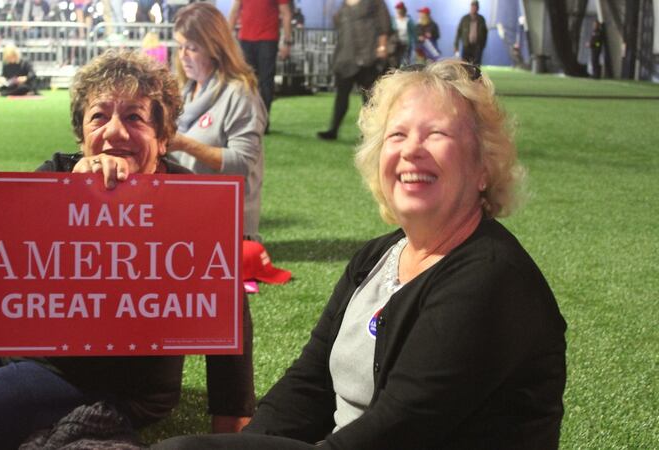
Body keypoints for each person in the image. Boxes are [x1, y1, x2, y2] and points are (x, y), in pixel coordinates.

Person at [152, 59, 567, 450]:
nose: (412, 150)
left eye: (436, 134)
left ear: (483, 168)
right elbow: (309, 384)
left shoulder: (491, 280)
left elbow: (398, 429)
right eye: (397, 135)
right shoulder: (377, 256)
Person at [0, 49, 255, 450]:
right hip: (23, 339)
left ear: (163, 136)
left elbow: (227, 310)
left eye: (134, 117)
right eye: (99, 116)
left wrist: (231, 412)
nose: (114, 133)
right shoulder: (55, 173)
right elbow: (3, 266)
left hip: (113, 378)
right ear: (82, 133)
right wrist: (67, 196)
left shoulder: (193, 200)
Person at [167, 3, 266, 242]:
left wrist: (184, 144)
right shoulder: (184, 90)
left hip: (227, 227)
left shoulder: (239, 94)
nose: (183, 56)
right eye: (180, 46)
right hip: (185, 216)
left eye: (192, 48)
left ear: (214, 48)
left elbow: (242, 163)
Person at [316, 0, 390, 141]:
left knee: (369, 98)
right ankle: (333, 130)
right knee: (341, 96)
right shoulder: (343, 4)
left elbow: (384, 25)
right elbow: (338, 24)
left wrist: (382, 48)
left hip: (368, 55)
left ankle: (369, 133)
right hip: (346, 56)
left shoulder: (375, 2)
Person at [228, 0, 292, 132]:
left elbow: (286, 14)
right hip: (246, 40)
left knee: (266, 83)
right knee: (245, 83)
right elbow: (234, 11)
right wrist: (227, 38)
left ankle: (262, 123)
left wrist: (287, 41)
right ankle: (245, 120)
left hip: (267, 40)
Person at [454, 0, 487, 65]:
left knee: (476, 66)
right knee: (465, 65)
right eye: (473, 6)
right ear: (470, 7)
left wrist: (482, 45)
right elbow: (458, 32)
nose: (474, 8)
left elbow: (485, 33)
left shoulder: (481, 19)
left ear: (478, 8)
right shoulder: (465, 19)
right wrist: (456, 45)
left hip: (477, 46)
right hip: (466, 46)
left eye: (475, 6)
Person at [389, 1, 416, 68]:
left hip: (406, 43)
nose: (399, 10)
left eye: (400, 9)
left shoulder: (409, 20)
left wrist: (416, 41)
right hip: (396, 43)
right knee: (396, 61)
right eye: (397, 9)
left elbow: (413, 32)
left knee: (406, 61)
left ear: (404, 9)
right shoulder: (393, 20)